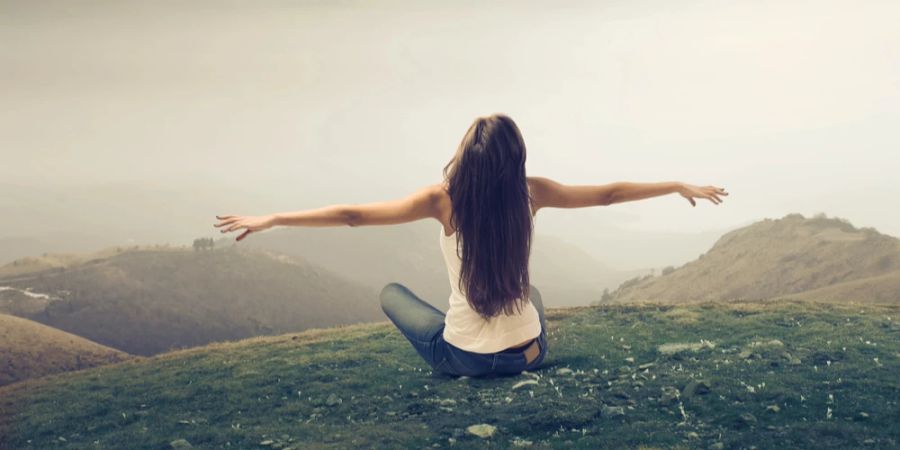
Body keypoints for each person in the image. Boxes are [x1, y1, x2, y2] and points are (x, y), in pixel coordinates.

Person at [213, 113, 728, 378]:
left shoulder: (444, 201)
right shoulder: (532, 193)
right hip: (532, 353)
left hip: (467, 360)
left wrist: (274, 218)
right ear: (515, 159)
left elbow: (352, 217)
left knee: (393, 293)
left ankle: (462, 345)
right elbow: (610, 195)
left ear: (466, 157)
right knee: (533, 297)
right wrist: (677, 184)